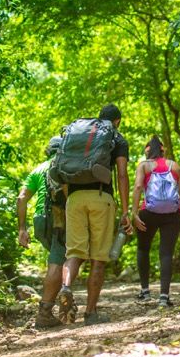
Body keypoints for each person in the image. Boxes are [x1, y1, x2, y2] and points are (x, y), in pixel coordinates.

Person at [48, 104, 131, 326]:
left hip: (74, 199)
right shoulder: (117, 138)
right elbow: (122, 175)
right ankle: (91, 313)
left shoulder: (81, 136)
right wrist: (125, 211)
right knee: (98, 258)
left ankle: (66, 287)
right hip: (101, 197)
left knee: (74, 253)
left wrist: (70, 200)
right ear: (117, 121)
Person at [17, 137, 67, 329]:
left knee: (58, 259)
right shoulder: (65, 166)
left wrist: (22, 229)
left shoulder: (38, 169)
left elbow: (21, 198)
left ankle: (59, 298)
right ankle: (45, 312)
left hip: (39, 221)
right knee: (57, 262)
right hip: (58, 218)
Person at [131, 136, 180, 308]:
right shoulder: (175, 166)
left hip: (148, 213)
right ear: (163, 150)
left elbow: (138, 187)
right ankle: (164, 297)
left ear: (147, 151)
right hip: (172, 214)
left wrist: (134, 213)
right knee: (166, 254)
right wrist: (179, 212)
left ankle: (145, 292)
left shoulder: (144, 166)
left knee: (143, 248)